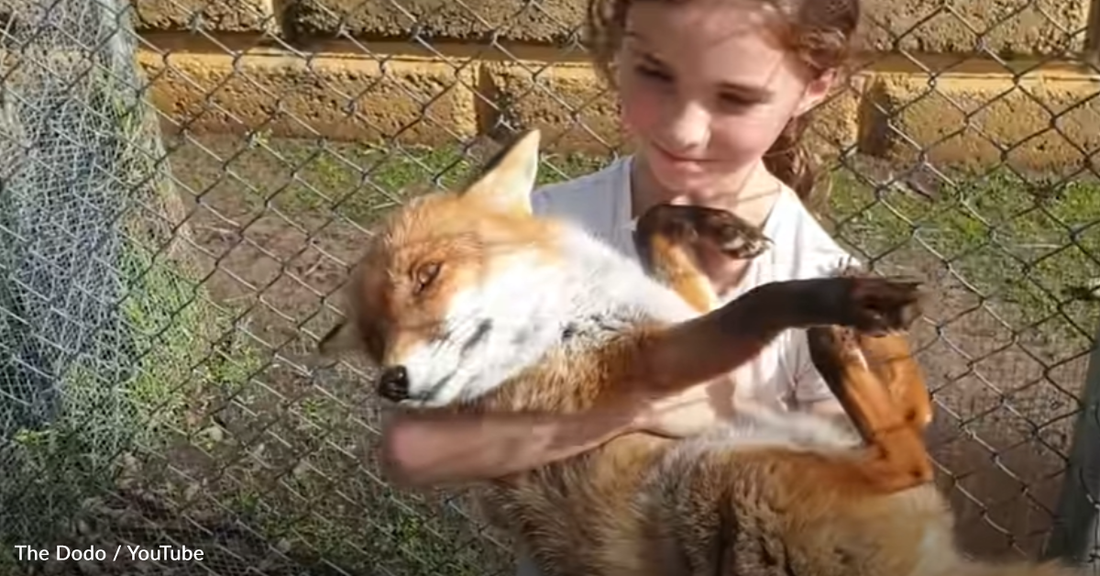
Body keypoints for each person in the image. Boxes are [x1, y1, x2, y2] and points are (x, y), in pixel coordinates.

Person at [379, 0, 863, 572]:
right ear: (619, 50)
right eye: (655, 73)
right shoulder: (541, 230)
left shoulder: (825, 287)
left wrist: (721, 416)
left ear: (816, 84)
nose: (683, 128)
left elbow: (844, 502)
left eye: (735, 97)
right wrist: (627, 406)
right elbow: (413, 451)